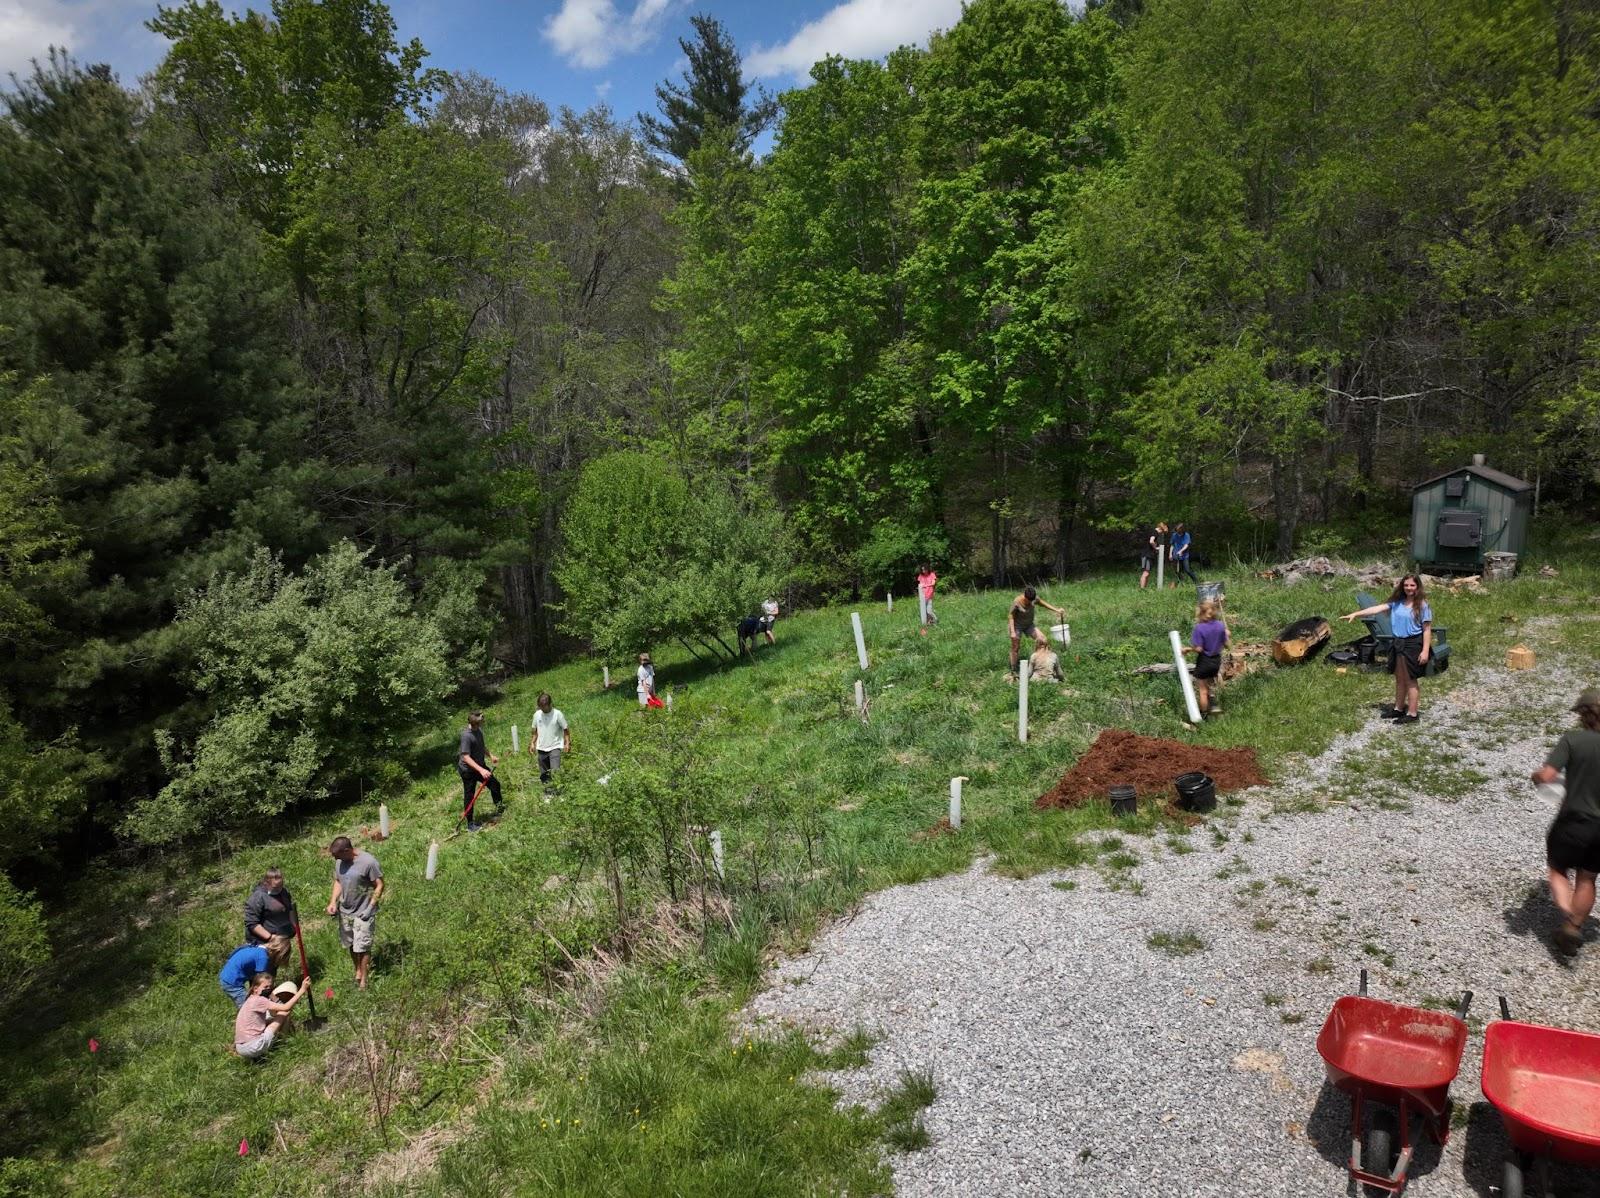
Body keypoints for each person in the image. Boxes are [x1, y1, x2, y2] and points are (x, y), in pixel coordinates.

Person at [1532, 689, 1600, 955]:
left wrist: (1536, 776)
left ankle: (1568, 915)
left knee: (1558, 869)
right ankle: (1574, 926)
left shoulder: (1573, 740)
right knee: (1588, 877)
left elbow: (1547, 776)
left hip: (1574, 820)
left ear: (1583, 715)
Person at [1342, 575, 1432, 724]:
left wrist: (1425, 651)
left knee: (1410, 679)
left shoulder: (1422, 605)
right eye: (1406, 585)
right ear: (1402, 587)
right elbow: (1376, 609)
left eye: (1412, 585)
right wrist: (1356, 614)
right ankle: (1398, 708)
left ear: (1418, 587)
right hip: (1397, 643)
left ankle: (1413, 713)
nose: (1409, 588)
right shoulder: (1396, 603)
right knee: (1399, 678)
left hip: (1412, 644)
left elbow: (1427, 630)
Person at [326, 836, 383, 991]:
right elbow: (338, 881)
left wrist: (370, 907)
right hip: (345, 911)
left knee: (363, 946)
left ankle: (364, 980)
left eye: (337, 855)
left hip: (363, 911)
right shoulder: (339, 862)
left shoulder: (368, 862)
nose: (335, 858)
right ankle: (357, 970)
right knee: (351, 943)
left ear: (347, 850)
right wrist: (333, 902)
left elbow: (379, 885)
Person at [234, 973, 309, 1060]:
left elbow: (274, 1007)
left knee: (270, 1019)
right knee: (284, 1013)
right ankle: (284, 1042)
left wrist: (271, 995)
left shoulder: (250, 999)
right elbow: (286, 1007)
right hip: (254, 1047)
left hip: (240, 1048)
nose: (268, 989)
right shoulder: (260, 1000)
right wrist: (302, 990)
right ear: (255, 989)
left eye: (270, 987)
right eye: (265, 987)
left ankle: (257, 1057)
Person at [243, 867, 297, 971]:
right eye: (276, 887)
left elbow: (289, 909)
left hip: (279, 940)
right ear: (266, 883)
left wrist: (294, 927)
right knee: (262, 972)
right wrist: (271, 937)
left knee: (273, 970)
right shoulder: (258, 897)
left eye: (281, 886)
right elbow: (252, 923)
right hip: (262, 943)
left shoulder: (284, 892)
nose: (279, 889)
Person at [457, 710, 502, 831]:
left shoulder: (478, 730)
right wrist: (481, 770)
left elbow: (481, 746)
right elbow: (466, 757)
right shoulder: (466, 736)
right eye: (481, 720)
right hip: (468, 770)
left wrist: (491, 755)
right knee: (470, 795)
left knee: (495, 785)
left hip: (480, 766)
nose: (483, 721)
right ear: (474, 722)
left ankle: (499, 809)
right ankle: (470, 824)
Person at [1008, 586, 1066, 678]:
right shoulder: (1017, 602)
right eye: (1029, 601)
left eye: (1032, 600)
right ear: (1024, 596)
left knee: (1043, 639)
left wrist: (1057, 610)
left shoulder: (1033, 598)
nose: (1031, 603)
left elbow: (1043, 603)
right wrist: (1012, 632)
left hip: (1029, 625)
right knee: (1015, 647)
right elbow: (1011, 616)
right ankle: (1013, 670)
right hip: (1016, 626)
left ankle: (1044, 665)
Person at [1184, 599, 1229, 715]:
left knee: (1202, 691)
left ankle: (1203, 716)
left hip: (1205, 661)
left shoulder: (1200, 628)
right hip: (1216, 661)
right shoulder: (1220, 626)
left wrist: (1188, 649)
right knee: (1209, 685)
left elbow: (1199, 648)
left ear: (1202, 613)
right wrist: (1227, 635)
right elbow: (1226, 645)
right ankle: (1213, 705)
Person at [531, 692, 570, 786]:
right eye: (540, 706)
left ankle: (559, 792)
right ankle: (549, 793)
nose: (542, 709)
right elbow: (535, 731)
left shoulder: (557, 714)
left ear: (550, 704)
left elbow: (566, 729)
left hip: (555, 747)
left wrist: (567, 743)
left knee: (555, 771)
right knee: (544, 774)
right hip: (541, 748)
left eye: (544, 706)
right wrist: (532, 743)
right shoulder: (537, 715)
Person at [218, 942, 270, 1008]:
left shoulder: (254, 948)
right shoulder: (263, 957)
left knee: (247, 1006)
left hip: (225, 976)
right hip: (232, 982)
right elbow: (261, 981)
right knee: (248, 1008)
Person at [1139, 523, 1167, 589]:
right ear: (1160, 529)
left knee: (1147, 573)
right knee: (1146, 573)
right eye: (1162, 532)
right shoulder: (1155, 532)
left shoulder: (1151, 531)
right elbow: (1151, 541)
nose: (1161, 534)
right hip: (1147, 554)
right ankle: (1142, 589)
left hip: (1145, 554)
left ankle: (1144, 588)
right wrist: (1156, 548)